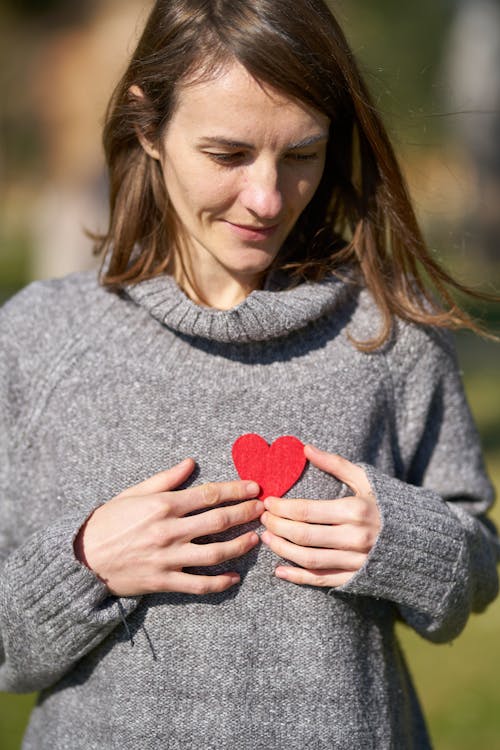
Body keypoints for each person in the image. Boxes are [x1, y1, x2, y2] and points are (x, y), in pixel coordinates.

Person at [0, 1, 498, 748]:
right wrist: (86, 562)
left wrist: (403, 542)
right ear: (148, 128)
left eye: (301, 154)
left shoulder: (391, 330)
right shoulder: (40, 337)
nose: (267, 199)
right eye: (228, 155)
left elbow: (475, 569)